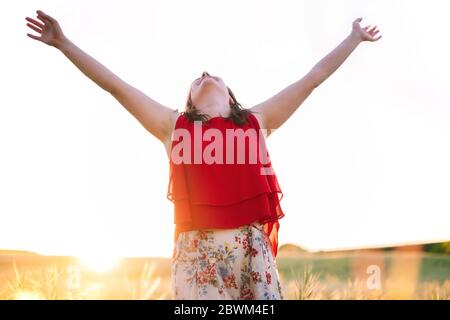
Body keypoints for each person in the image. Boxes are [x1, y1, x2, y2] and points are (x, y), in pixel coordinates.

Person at [25, 9, 382, 300]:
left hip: (252, 251)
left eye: (213, 76)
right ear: (189, 103)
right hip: (198, 256)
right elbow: (114, 85)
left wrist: (353, 39)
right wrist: (63, 43)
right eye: (195, 80)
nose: (204, 75)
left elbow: (313, 78)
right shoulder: (173, 127)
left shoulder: (257, 122)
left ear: (230, 97)